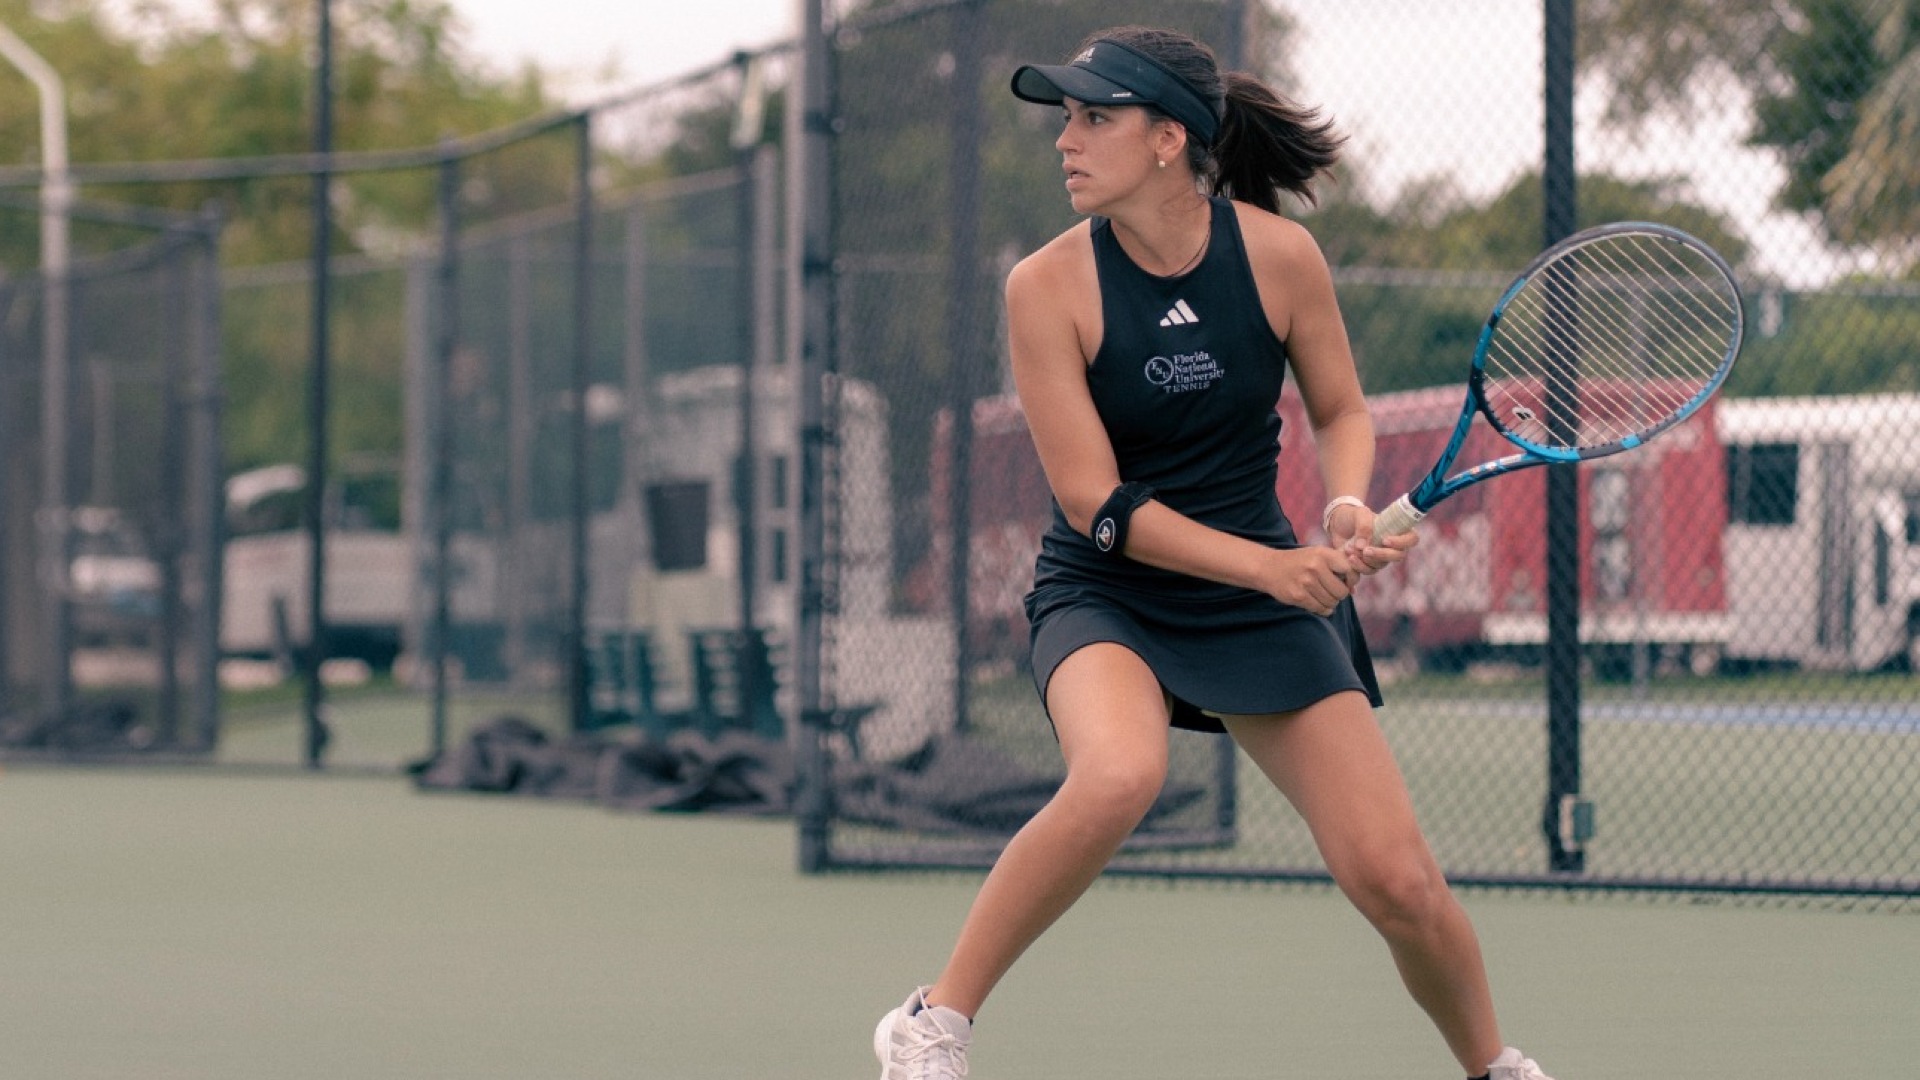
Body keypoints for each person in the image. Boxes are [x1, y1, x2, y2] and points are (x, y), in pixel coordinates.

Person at [872, 24, 1559, 1080]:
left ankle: (1492, 1067)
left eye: (1094, 117)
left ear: (1167, 141)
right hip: (1107, 588)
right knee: (1119, 774)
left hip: (1257, 594)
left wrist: (1339, 502)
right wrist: (1272, 568)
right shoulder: (1045, 288)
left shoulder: (1279, 257)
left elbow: (1340, 407)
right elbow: (1095, 500)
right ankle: (933, 1021)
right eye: (1066, 116)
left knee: (1398, 881)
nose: (1066, 139)